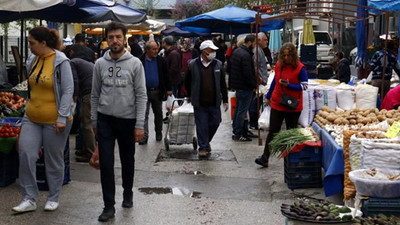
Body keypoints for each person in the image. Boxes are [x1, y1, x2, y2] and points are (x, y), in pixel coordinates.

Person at [12, 26, 74, 213]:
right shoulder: (33, 60)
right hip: (31, 117)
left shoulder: (61, 61)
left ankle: (53, 197)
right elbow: (32, 87)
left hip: (55, 120)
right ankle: (29, 198)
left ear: (43, 43)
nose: (29, 46)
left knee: (52, 159)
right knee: (25, 154)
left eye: (32, 43)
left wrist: (62, 117)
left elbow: (68, 91)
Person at [91, 22, 147, 222]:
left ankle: (128, 192)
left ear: (125, 38)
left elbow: (141, 95)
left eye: (118, 37)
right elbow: (95, 95)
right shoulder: (99, 64)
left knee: (127, 160)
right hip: (105, 120)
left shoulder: (135, 64)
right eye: (111, 37)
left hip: (127, 120)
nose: (114, 40)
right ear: (106, 39)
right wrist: (94, 121)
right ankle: (108, 206)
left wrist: (140, 124)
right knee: (106, 163)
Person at [255, 42, 308, 167]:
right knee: (273, 131)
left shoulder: (300, 68)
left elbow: (304, 86)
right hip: (278, 102)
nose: (286, 58)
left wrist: (289, 85)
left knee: (290, 132)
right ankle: (265, 157)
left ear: (293, 55)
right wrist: (268, 96)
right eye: (283, 55)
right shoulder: (279, 65)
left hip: (292, 105)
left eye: (288, 55)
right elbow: (274, 82)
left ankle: (291, 159)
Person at [185, 40, 228, 157]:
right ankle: (203, 147)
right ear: (204, 52)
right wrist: (190, 94)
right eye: (211, 50)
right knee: (201, 124)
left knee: (216, 122)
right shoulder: (193, 64)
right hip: (199, 102)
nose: (214, 52)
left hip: (214, 101)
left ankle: (206, 140)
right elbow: (187, 81)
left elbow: (222, 84)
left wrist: (225, 100)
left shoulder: (218, 64)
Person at [139, 41, 172, 145]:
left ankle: (158, 132)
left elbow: (167, 75)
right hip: (143, 92)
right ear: (147, 50)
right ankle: (144, 136)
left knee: (158, 113)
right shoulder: (139, 60)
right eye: (153, 49)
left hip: (157, 91)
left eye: (157, 48)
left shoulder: (161, 60)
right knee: (144, 115)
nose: (156, 51)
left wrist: (168, 89)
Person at [69, 44, 96, 162]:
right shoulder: (83, 62)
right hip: (93, 92)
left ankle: (90, 153)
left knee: (86, 124)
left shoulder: (73, 62)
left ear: (71, 52)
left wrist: (74, 96)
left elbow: (74, 80)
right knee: (84, 121)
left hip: (88, 94)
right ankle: (86, 149)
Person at [230, 35, 257, 142]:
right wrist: (254, 85)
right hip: (245, 87)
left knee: (238, 110)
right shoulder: (245, 55)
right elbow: (248, 74)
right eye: (254, 43)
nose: (255, 46)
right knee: (242, 111)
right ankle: (239, 133)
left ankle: (236, 130)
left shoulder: (237, 52)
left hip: (238, 86)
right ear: (249, 43)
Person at [249, 32, 269, 131]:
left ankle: (254, 122)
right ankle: (253, 123)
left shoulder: (260, 50)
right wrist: (259, 79)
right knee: (255, 103)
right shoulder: (257, 50)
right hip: (259, 82)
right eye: (265, 40)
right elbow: (255, 66)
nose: (267, 42)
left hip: (261, 81)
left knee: (258, 102)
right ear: (259, 40)